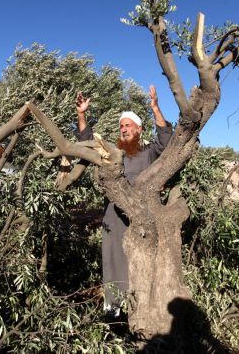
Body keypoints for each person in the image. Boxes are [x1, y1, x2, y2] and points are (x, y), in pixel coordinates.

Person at [75, 85, 172, 316]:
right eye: (121, 126)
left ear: (139, 129)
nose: (123, 129)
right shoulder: (112, 153)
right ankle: (115, 310)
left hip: (143, 214)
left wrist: (156, 108)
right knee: (113, 258)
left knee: (144, 259)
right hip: (114, 214)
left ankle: (143, 307)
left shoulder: (149, 151)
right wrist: (81, 114)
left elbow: (167, 141)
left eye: (128, 125)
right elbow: (86, 141)